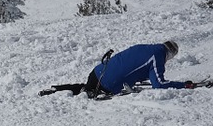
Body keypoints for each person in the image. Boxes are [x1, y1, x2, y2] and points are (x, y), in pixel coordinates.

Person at [40, 40, 197, 97]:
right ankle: (56, 94)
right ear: (170, 54)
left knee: (85, 87)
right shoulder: (158, 57)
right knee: (86, 93)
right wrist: (183, 85)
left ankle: (55, 90)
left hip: (97, 73)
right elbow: (159, 85)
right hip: (108, 85)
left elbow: (131, 65)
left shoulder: (145, 47)